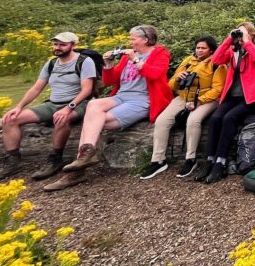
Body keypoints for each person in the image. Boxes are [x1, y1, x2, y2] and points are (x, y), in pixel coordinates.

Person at [45, 25, 172, 191]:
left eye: (133, 38)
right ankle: (87, 155)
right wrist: (108, 63)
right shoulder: (128, 57)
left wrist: (135, 59)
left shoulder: (160, 53)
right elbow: (111, 80)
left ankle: (77, 171)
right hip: (121, 96)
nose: (130, 41)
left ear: (145, 40)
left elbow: (155, 74)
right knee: (93, 105)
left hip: (142, 99)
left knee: (94, 121)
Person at [0, 32, 96, 184]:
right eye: (55, 44)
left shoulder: (84, 61)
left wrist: (68, 108)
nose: (57, 48)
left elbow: (87, 89)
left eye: (62, 45)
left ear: (73, 45)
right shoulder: (51, 64)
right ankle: (12, 161)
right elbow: (36, 88)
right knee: (10, 119)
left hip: (78, 103)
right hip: (52, 103)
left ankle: (55, 158)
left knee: (62, 119)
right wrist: (19, 107)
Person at [142, 36, 227, 180]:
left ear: (211, 50)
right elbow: (171, 85)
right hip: (183, 97)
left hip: (208, 98)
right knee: (162, 120)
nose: (199, 50)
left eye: (203, 48)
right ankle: (158, 160)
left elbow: (218, 89)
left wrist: (199, 101)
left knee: (193, 120)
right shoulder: (188, 61)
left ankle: (190, 159)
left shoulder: (217, 64)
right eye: (198, 48)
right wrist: (177, 79)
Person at [198, 22, 255, 184]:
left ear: (251, 34)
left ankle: (220, 162)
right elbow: (215, 60)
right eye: (238, 34)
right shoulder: (233, 50)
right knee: (215, 118)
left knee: (229, 118)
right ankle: (210, 160)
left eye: (242, 33)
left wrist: (246, 42)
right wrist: (228, 40)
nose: (239, 37)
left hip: (253, 97)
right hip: (233, 96)